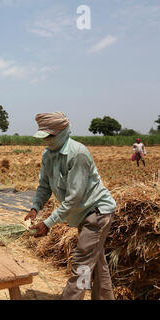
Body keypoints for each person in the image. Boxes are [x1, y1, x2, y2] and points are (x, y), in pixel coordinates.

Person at [25, 112, 117, 300]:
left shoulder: (78, 154)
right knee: (96, 262)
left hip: (97, 214)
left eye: (51, 136)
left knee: (82, 264)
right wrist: (35, 208)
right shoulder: (48, 155)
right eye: (45, 137)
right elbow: (44, 186)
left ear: (64, 132)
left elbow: (74, 198)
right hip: (82, 214)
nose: (47, 141)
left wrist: (48, 223)